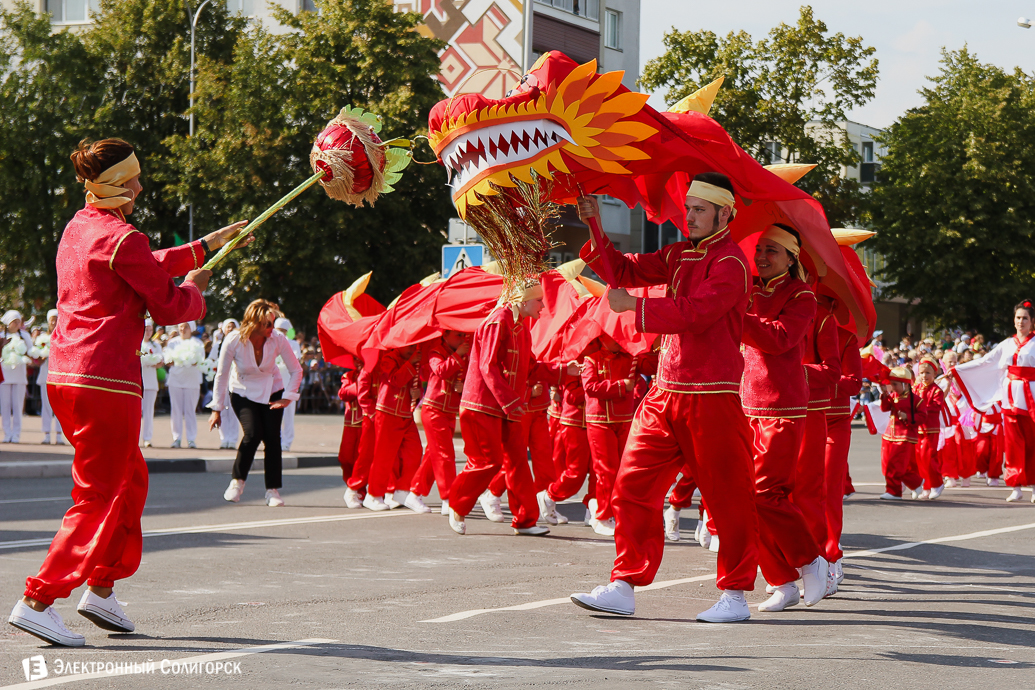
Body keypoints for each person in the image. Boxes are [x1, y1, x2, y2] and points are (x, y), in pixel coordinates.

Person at [7, 137, 246, 647]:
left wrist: (203, 245)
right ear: (115, 184)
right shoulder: (123, 237)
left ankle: (101, 585)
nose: (139, 186)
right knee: (98, 493)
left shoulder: (80, 227)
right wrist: (196, 288)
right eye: (132, 179)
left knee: (130, 480)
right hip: (105, 380)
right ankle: (39, 598)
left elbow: (142, 261)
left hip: (68, 376)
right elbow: (168, 305)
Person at [569, 174, 760, 623]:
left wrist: (633, 309)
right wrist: (595, 224)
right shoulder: (677, 254)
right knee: (631, 486)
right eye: (688, 208)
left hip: (711, 395)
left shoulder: (731, 263)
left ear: (724, 213)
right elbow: (622, 271)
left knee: (727, 497)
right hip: (664, 392)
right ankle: (623, 584)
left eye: (698, 209)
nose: (688, 216)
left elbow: (697, 313)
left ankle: (735, 594)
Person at [735, 224, 829, 612]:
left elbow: (778, 339)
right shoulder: (749, 290)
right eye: (760, 249)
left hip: (782, 407)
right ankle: (782, 580)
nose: (761, 257)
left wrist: (734, 314)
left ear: (791, 258)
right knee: (745, 499)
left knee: (766, 493)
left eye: (772, 251)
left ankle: (812, 560)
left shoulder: (802, 295)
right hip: (745, 404)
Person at [447, 282, 570, 537]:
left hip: (508, 406)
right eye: (539, 301)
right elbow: (487, 366)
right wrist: (511, 401)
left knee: (517, 462)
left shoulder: (521, 328)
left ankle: (525, 520)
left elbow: (531, 368)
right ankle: (457, 505)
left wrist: (563, 371)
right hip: (483, 404)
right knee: (487, 462)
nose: (543, 306)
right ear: (523, 301)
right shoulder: (497, 321)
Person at [210, 299, 301, 507]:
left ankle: (272, 490)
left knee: (272, 437)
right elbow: (222, 375)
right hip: (242, 390)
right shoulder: (234, 339)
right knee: (253, 433)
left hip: (272, 389)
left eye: (272, 323)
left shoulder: (277, 338)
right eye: (267, 324)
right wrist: (216, 408)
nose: (272, 328)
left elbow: (296, 369)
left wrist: (289, 395)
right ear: (254, 323)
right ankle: (237, 481)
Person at [956, 300, 1035, 503]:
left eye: (1025, 318)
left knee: (1031, 444)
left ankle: (1034, 485)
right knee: (1012, 444)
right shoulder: (1007, 344)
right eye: (1018, 318)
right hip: (1010, 399)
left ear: (1032, 321)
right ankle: (1015, 485)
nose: (1021, 321)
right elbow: (986, 362)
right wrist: (957, 370)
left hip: (1031, 398)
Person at [408, 331, 470, 515]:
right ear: (446, 335)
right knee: (444, 454)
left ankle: (415, 492)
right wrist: (458, 355)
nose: (462, 338)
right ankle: (448, 498)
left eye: (463, 335)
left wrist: (463, 385)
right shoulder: (436, 351)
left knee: (433, 455)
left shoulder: (463, 353)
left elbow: (466, 377)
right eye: (458, 334)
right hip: (434, 409)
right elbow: (441, 370)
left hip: (449, 411)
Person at [364, 345, 424, 511]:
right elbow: (396, 380)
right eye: (410, 345)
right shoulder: (388, 359)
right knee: (384, 456)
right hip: (388, 412)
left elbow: (416, 384)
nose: (414, 348)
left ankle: (402, 490)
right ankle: (373, 495)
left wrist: (418, 392)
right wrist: (412, 362)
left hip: (406, 413)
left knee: (415, 451)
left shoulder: (412, 359)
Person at [878, 367, 927, 500]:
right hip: (890, 435)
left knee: (895, 465)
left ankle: (894, 492)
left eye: (895, 384)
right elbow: (884, 408)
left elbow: (922, 417)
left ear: (905, 384)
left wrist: (908, 416)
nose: (892, 387)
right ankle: (916, 482)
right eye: (891, 384)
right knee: (891, 465)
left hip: (904, 436)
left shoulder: (916, 400)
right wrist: (884, 395)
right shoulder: (893, 396)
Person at [165, 321, 204, 448]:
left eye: (186, 327)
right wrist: (172, 360)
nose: (183, 329)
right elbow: (168, 360)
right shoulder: (172, 343)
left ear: (191, 328)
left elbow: (200, 361)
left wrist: (193, 361)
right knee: (176, 410)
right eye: (181, 326)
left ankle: (191, 439)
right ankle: (176, 438)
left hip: (192, 381)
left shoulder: (197, 343)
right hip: (175, 380)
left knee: (190, 411)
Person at [913, 357, 946, 500]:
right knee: (919, 459)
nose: (924, 376)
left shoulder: (936, 390)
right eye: (921, 373)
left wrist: (920, 408)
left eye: (927, 373)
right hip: (917, 429)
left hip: (930, 429)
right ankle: (925, 486)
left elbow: (937, 406)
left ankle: (937, 483)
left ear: (934, 373)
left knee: (929, 457)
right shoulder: (916, 388)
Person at [1, 310, 34, 443]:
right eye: (14, 322)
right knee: (5, 406)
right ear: (8, 323)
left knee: (17, 405)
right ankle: (7, 433)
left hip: (20, 376)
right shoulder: (1, 336)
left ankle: (16, 434)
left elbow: (30, 351)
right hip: (4, 376)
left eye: (18, 321)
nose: (17, 324)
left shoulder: (24, 336)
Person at [210, 319, 241, 449]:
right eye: (228, 327)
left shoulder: (239, 343)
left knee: (233, 409)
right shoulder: (218, 345)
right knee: (220, 408)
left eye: (233, 327)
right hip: (222, 379)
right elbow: (211, 360)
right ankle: (224, 439)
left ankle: (233, 439)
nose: (230, 329)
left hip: (235, 379)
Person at [36, 310, 65, 445]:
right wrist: (42, 355)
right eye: (52, 319)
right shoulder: (42, 338)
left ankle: (59, 435)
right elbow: (37, 359)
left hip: (60, 377)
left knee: (60, 407)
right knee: (46, 406)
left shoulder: (65, 336)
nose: (54, 322)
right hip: (45, 376)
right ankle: (47, 434)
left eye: (56, 319)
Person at [274, 317, 303, 451]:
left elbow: (295, 360)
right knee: (274, 414)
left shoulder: (293, 343)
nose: (280, 332)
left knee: (288, 414)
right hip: (274, 383)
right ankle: (276, 440)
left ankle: (287, 441)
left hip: (289, 382)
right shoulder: (271, 342)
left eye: (282, 330)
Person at [139, 320, 163, 447]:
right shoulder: (137, 343)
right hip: (138, 382)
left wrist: (154, 362)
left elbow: (161, 361)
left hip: (151, 383)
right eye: (146, 329)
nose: (148, 332)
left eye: (150, 330)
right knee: (138, 413)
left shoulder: (156, 345)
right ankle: (136, 438)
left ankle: (147, 438)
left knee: (149, 412)